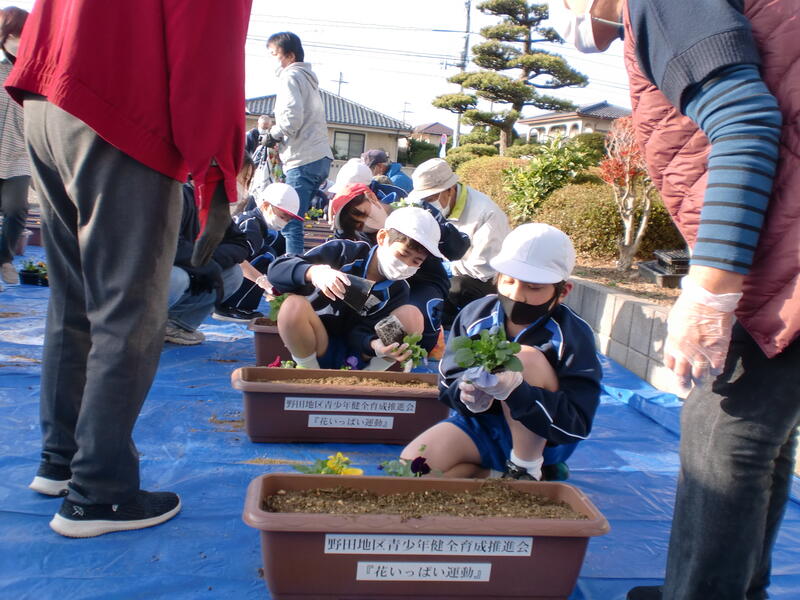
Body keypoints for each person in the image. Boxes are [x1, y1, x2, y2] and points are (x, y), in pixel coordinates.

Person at [547, 1, 800, 598]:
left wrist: (711, 290)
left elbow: (743, 119)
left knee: (725, 432)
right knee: (759, 435)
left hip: (782, 255)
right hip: (783, 249)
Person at [6, 0, 252, 537]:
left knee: (73, 298)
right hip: (122, 104)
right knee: (129, 310)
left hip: (49, 93)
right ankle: (99, 492)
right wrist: (217, 171)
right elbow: (207, 43)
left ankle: (61, 460)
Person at [401, 224, 601, 481]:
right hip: (483, 429)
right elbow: (448, 382)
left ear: (562, 292)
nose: (517, 295)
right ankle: (498, 474)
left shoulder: (572, 336)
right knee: (413, 469)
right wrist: (466, 393)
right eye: (508, 281)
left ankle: (525, 468)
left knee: (522, 358)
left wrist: (519, 393)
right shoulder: (475, 315)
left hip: (543, 436)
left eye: (533, 287)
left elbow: (576, 424)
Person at [267, 206, 443, 371]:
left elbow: (362, 332)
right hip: (317, 343)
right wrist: (314, 272)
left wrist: (375, 345)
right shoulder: (343, 253)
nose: (406, 264)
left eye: (416, 261)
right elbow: (277, 270)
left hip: (358, 355)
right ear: (382, 238)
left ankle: (369, 377)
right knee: (293, 306)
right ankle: (309, 373)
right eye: (402, 254)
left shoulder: (398, 290)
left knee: (411, 317)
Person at [331, 182, 469, 353]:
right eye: (358, 224)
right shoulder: (359, 238)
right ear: (382, 238)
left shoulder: (418, 211)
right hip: (387, 286)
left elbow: (459, 248)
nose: (365, 222)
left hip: (423, 283)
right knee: (360, 318)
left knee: (415, 325)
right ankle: (371, 350)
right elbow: (334, 246)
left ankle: (392, 354)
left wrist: (430, 231)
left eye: (363, 213)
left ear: (371, 197)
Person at [407, 158, 511, 327]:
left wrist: (445, 268)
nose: (429, 202)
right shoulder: (426, 207)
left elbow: (483, 268)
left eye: (432, 197)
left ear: (450, 189)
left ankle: (452, 327)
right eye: (425, 198)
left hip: (482, 280)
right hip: (450, 269)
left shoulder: (487, 213)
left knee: (455, 287)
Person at [262, 32, 332, 255]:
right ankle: (292, 264)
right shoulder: (307, 79)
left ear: (290, 56)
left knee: (289, 221)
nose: (272, 60)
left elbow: (291, 120)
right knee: (295, 220)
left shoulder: (290, 76)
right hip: (319, 157)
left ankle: (293, 270)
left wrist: (273, 134)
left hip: (303, 158)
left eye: (274, 54)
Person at [165, 182, 249, 344]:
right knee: (178, 278)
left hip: (189, 268)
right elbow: (168, 243)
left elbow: (239, 243)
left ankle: (174, 324)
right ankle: (137, 324)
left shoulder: (213, 204)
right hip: (150, 275)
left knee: (233, 273)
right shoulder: (175, 195)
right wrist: (202, 263)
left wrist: (209, 261)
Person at [214, 182, 301, 321]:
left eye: (288, 219)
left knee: (276, 242)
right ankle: (233, 306)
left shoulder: (255, 222)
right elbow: (238, 261)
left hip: (217, 273)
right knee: (267, 255)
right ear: (265, 206)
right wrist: (264, 282)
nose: (285, 222)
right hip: (216, 277)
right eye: (283, 216)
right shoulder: (251, 227)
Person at [0, 6, 29, 286]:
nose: (18, 41)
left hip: (18, 152)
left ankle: (5, 259)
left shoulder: (32, 71)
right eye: (13, 35)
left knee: (17, 207)